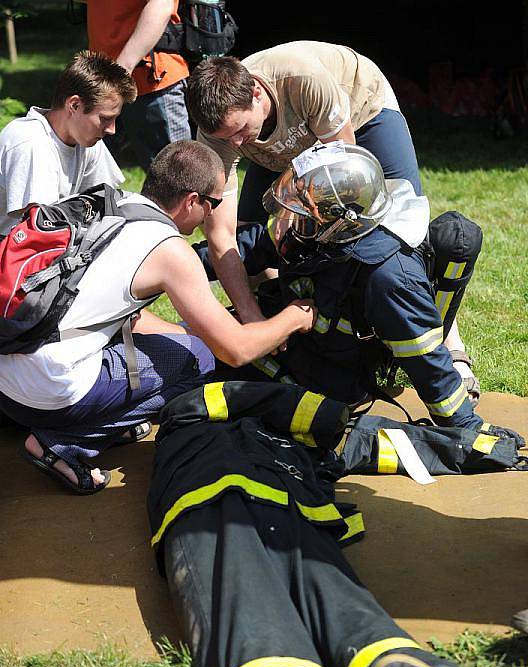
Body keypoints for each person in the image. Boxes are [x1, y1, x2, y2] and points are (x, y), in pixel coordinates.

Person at [147, 379, 506, 667]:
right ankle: (391, 658)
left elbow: (377, 442)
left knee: (241, 598)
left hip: (215, 499)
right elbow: (372, 440)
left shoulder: (188, 425)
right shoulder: (293, 436)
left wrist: (485, 447)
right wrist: (484, 448)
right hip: (292, 505)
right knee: (332, 592)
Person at [0, 140, 315, 494]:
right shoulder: (169, 249)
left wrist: (186, 336)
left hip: (9, 381)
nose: (212, 214)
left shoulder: (114, 205)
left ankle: (107, 420)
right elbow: (235, 350)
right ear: (192, 200)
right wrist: (295, 317)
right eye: (212, 203)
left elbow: (124, 316)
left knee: (188, 344)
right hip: (48, 394)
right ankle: (62, 444)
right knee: (200, 359)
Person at [186, 41, 480, 400]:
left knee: (398, 230)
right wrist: (253, 321)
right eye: (226, 138)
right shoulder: (218, 132)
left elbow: (343, 180)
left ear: (258, 95)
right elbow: (221, 237)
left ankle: (448, 344)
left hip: (361, 116)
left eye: (240, 130)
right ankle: (292, 330)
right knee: (254, 240)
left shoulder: (302, 78)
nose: (235, 143)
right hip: (280, 154)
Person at [225, 142, 525, 439]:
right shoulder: (325, 237)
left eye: (302, 211)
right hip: (312, 346)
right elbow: (248, 249)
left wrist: (469, 431)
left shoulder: (390, 279)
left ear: (338, 221)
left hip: (329, 379)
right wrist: (182, 253)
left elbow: (425, 361)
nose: (287, 223)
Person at [0, 50, 136, 237]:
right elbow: (40, 231)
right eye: (105, 119)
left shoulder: (85, 139)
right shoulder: (30, 142)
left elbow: (107, 204)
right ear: (74, 105)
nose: (112, 129)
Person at [87, 0, 192, 170]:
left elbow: (162, 4)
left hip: (150, 78)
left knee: (177, 178)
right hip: (101, 79)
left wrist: (122, 69)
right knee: (90, 177)